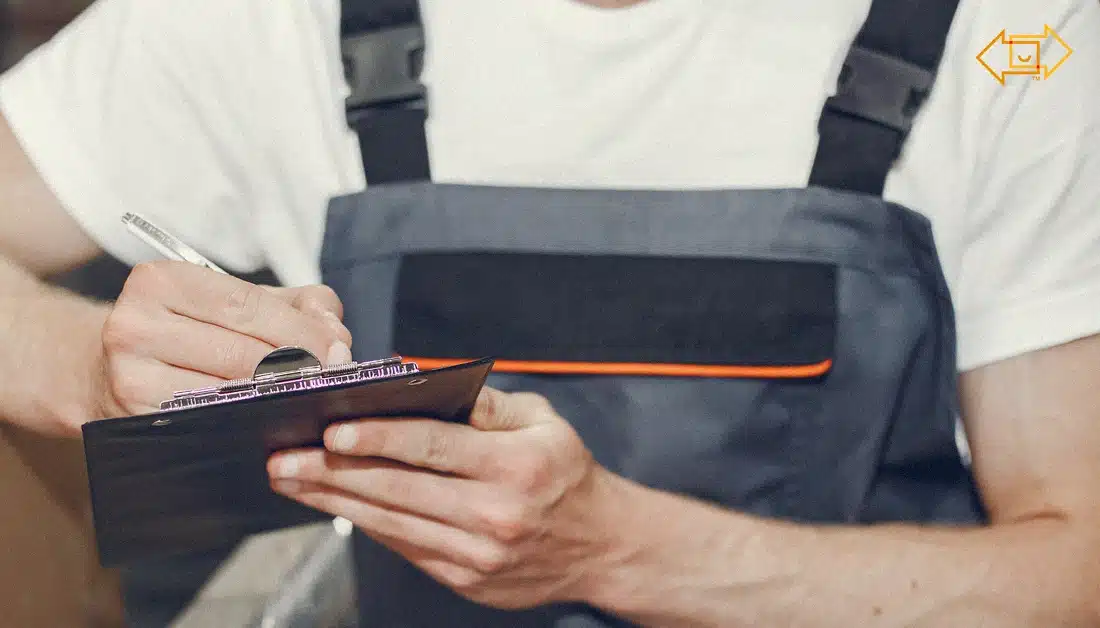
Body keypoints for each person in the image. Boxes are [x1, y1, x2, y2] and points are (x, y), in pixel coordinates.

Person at [0, 0, 1099, 625]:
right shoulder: (268, 20)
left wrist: (616, 550)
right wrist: (86, 361)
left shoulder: (1012, 36)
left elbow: (1075, 569)